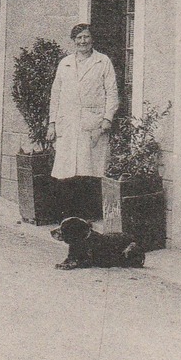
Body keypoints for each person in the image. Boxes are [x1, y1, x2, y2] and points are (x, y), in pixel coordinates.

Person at [47, 23, 119, 219]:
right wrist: (52, 123)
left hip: (92, 124)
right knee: (66, 171)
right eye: (78, 38)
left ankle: (87, 216)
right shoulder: (65, 63)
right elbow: (56, 94)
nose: (82, 41)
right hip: (67, 123)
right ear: (73, 41)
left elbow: (112, 92)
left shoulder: (102, 62)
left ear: (92, 39)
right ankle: (68, 216)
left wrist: (106, 119)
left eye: (86, 37)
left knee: (89, 171)